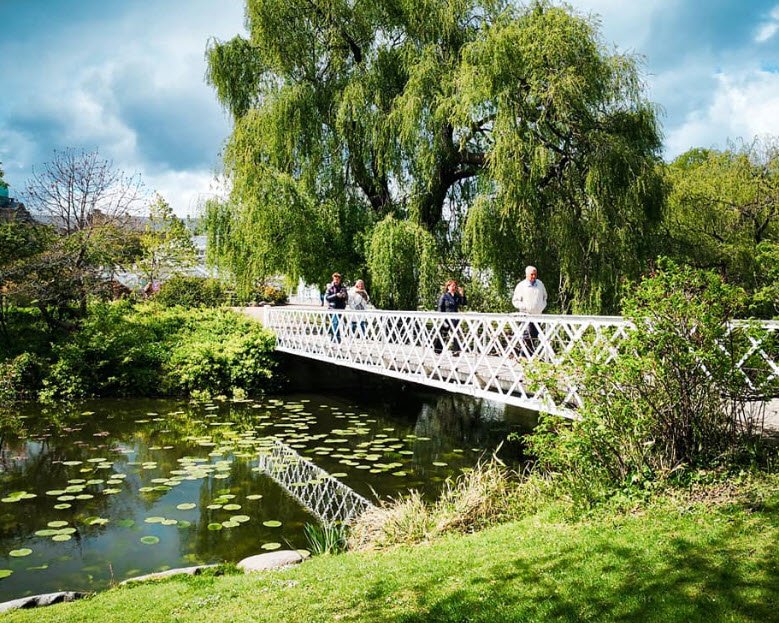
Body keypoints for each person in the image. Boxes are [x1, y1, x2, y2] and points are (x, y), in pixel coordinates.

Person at [512, 265, 547, 356]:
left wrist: (541, 306)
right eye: (531, 274)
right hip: (526, 316)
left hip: (537, 315)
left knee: (535, 336)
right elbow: (515, 301)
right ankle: (524, 355)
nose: (533, 276)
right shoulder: (521, 285)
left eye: (535, 274)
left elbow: (545, 297)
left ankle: (529, 355)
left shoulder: (540, 284)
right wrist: (524, 307)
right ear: (527, 274)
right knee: (527, 336)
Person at [434, 279, 466, 355]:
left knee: (456, 334)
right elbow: (440, 308)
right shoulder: (444, 296)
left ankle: (456, 351)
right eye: (452, 286)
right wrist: (442, 319)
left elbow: (463, 303)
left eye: (455, 286)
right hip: (446, 318)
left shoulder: (456, 296)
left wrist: (462, 295)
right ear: (448, 287)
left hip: (455, 319)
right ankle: (438, 350)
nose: (454, 287)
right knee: (443, 334)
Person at [324, 272, 348, 342]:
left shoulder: (343, 288)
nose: (336, 280)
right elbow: (327, 297)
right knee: (335, 322)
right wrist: (336, 295)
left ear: (340, 280)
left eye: (338, 279)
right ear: (333, 279)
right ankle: (336, 337)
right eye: (335, 279)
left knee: (337, 323)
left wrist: (344, 295)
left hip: (341, 308)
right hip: (332, 308)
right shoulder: (330, 288)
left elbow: (346, 298)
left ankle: (334, 337)